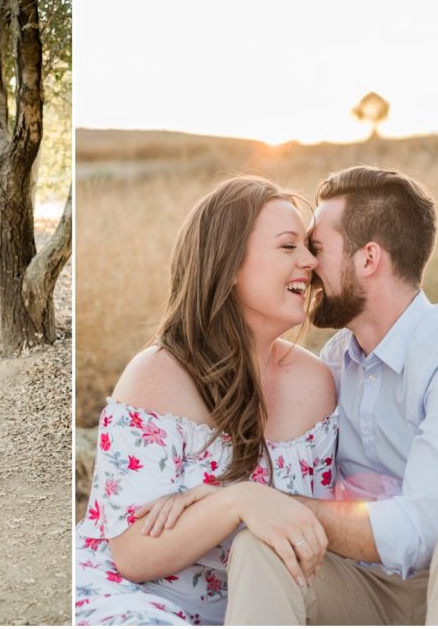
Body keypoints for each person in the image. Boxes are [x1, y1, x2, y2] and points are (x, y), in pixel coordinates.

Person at [222, 165, 438, 624]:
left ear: (369, 259)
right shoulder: (334, 362)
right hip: (379, 591)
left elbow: (422, 530)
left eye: (318, 248)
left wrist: (281, 506)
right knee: (265, 545)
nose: (309, 265)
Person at [74, 176, 338, 625]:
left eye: (309, 248)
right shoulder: (157, 376)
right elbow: (134, 554)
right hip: (140, 599)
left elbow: (323, 525)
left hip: (267, 606)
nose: (310, 261)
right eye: (288, 247)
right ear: (230, 264)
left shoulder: (316, 382)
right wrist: (240, 501)